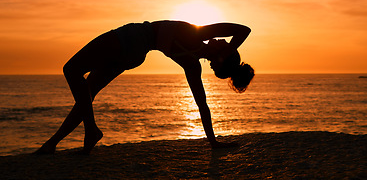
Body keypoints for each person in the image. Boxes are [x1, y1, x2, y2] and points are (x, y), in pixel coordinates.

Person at [35, 20, 254, 154]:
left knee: (71, 70)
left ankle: (90, 130)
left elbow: (244, 29)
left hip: (131, 39)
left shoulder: (198, 35)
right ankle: (53, 143)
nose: (224, 41)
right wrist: (213, 142)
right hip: (134, 54)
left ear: (222, 56)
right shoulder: (192, 63)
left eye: (226, 46)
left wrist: (227, 51)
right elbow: (202, 105)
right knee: (88, 91)